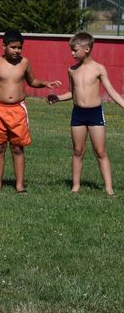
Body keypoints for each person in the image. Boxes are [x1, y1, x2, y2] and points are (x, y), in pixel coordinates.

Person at [0, 29, 61, 193]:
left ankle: (19, 186)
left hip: (18, 110)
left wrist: (44, 83)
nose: (17, 51)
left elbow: (32, 81)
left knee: (17, 147)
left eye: (19, 47)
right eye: (13, 47)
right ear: (4, 46)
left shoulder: (24, 63)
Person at [47, 32, 124, 196]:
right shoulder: (72, 70)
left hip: (95, 114)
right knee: (77, 150)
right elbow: (71, 93)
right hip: (78, 114)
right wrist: (57, 98)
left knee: (100, 152)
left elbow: (111, 91)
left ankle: (109, 188)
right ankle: (75, 186)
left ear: (87, 49)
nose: (72, 53)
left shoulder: (98, 69)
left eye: (75, 50)